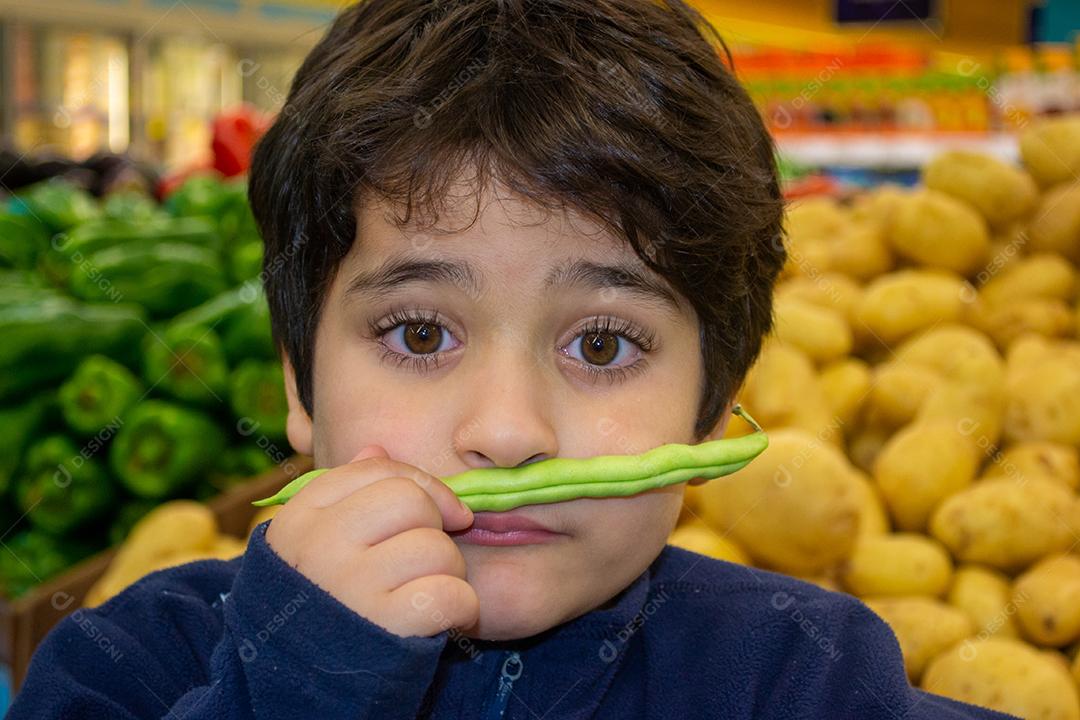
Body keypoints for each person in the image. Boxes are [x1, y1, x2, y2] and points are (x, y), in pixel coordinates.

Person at [7, 1, 1017, 718]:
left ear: (716, 404)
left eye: (604, 344)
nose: (505, 431)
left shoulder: (806, 676)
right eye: (419, 333)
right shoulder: (125, 667)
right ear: (296, 382)